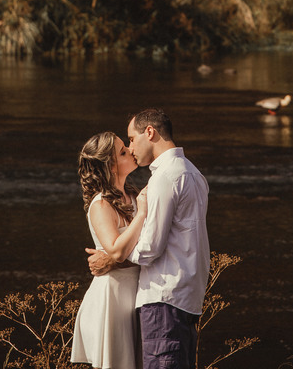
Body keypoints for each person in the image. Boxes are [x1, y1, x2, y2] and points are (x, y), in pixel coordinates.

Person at [87, 109, 210, 369]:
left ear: (150, 132)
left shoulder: (163, 178)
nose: (131, 147)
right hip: (185, 296)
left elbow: (150, 248)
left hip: (163, 297)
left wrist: (111, 258)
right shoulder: (194, 173)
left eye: (131, 139)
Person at [72, 131, 148, 369]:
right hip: (112, 297)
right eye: (123, 151)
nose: (131, 150)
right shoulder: (101, 204)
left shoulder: (136, 196)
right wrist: (143, 214)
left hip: (137, 293)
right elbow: (116, 250)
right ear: (112, 165)